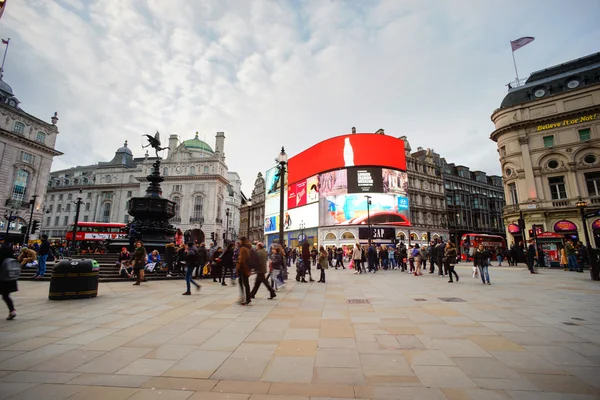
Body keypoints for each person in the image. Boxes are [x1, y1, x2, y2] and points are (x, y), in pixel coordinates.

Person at [0, 245, 18, 320]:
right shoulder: (13, 258)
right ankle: (12, 310)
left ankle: (12, 311)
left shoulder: (1, 258)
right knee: (6, 296)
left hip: (2, 280)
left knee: (5, 296)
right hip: (11, 280)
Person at [236, 237, 253, 306]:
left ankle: (246, 298)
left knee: (244, 283)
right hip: (246, 268)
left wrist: (238, 268)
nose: (239, 242)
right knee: (245, 284)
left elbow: (242, 260)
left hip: (243, 268)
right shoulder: (248, 248)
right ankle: (245, 298)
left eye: (240, 241)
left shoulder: (243, 249)